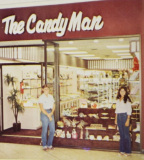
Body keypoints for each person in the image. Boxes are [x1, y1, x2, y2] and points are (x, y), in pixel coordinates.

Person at [115, 86, 132, 156]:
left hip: (125, 117)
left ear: (126, 92)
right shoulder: (118, 99)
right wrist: (116, 119)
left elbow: (129, 111)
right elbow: (116, 110)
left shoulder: (127, 100)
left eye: (123, 91)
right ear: (119, 92)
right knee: (121, 135)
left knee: (126, 135)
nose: (122, 92)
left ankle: (128, 151)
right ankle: (122, 150)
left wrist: (128, 120)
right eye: (121, 91)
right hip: (119, 117)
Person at [38, 84, 55, 151]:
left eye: (47, 89)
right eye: (45, 89)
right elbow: (42, 108)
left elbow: (54, 106)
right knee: (44, 130)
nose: (47, 90)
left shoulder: (51, 96)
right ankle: (44, 145)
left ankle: (49, 145)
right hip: (44, 114)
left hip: (50, 112)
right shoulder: (41, 98)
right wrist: (48, 115)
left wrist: (51, 113)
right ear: (42, 90)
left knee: (52, 130)